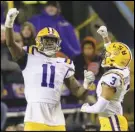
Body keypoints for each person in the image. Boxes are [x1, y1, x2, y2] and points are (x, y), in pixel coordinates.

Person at [5, 8, 95, 131]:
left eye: (52, 41)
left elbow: (79, 93)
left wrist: (86, 84)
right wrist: (9, 24)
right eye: (46, 41)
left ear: (58, 43)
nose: (49, 44)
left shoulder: (63, 63)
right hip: (34, 119)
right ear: (38, 42)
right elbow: (10, 44)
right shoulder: (29, 57)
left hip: (57, 121)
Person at [81, 26, 132, 131]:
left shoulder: (111, 78)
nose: (105, 55)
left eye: (107, 55)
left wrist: (85, 108)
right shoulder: (124, 69)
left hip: (112, 122)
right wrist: (105, 37)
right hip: (112, 120)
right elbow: (114, 52)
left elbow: (99, 107)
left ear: (113, 59)